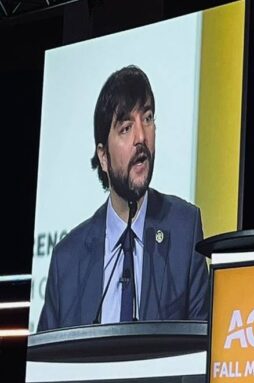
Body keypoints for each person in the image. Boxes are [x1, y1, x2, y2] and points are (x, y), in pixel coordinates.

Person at [38, 65, 209, 331]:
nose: (141, 137)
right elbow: (45, 367)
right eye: (126, 128)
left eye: (148, 118)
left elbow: (203, 348)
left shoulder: (184, 229)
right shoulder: (66, 260)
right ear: (103, 157)